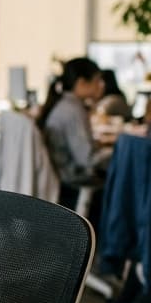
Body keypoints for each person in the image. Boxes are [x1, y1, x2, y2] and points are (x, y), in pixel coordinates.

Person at [38, 57, 110, 212]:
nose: (101, 86)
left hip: (62, 177)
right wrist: (116, 151)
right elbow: (88, 160)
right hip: (73, 181)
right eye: (97, 81)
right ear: (82, 83)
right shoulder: (73, 110)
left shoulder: (64, 103)